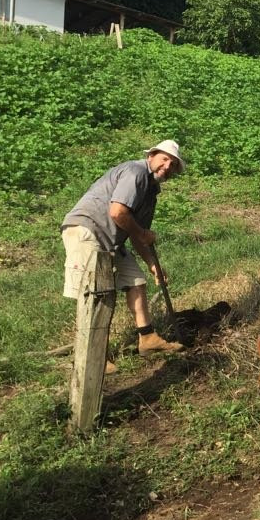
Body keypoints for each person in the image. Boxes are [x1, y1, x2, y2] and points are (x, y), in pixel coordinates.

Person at [61, 140, 187, 371]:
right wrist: (142, 233)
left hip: (111, 240)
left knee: (136, 281)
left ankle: (147, 338)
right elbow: (118, 212)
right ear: (152, 156)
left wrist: (153, 266)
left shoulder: (151, 191)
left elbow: (140, 235)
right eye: (164, 159)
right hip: (88, 230)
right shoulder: (135, 172)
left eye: (173, 164)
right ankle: (93, 357)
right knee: (94, 293)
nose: (167, 166)